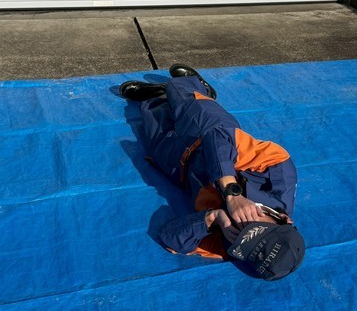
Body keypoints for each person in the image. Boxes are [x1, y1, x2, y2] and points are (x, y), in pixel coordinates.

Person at [120, 64, 305, 281]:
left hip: (181, 164)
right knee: (181, 93)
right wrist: (232, 194)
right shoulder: (279, 173)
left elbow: (171, 238)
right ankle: (198, 87)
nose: (242, 224)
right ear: (282, 219)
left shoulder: (231, 245)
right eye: (255, 227)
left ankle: (159, 95)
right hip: (207, 129)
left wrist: (212, 218)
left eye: (243, 239)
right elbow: (218, 137)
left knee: (150, 114)